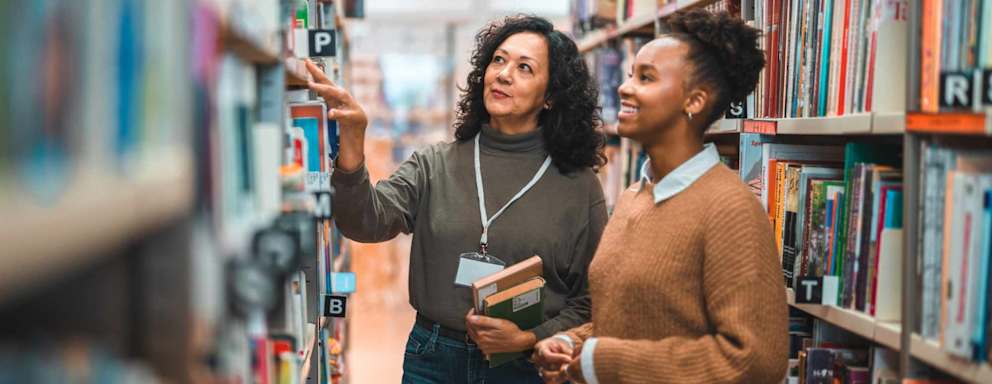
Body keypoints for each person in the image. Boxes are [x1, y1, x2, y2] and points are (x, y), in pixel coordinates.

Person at [305, 15, 608, 383]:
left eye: (524, 67)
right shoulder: (436, 163)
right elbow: (365, 222)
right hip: (433, 357)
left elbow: (591, 299)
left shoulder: (578, 187)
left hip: (527, 366)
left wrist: (529, 338)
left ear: (551, 96)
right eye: (498, 60)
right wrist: (351, 143)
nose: (503, 74)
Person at [532, 9, 788, 384]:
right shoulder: (637, 194)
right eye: (631, 73)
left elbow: (755, 361)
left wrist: (604, 361)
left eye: (646, 78)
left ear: (695, 101)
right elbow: (632, 322)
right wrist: (574, 343)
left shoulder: (729, 208)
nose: (624, 87)